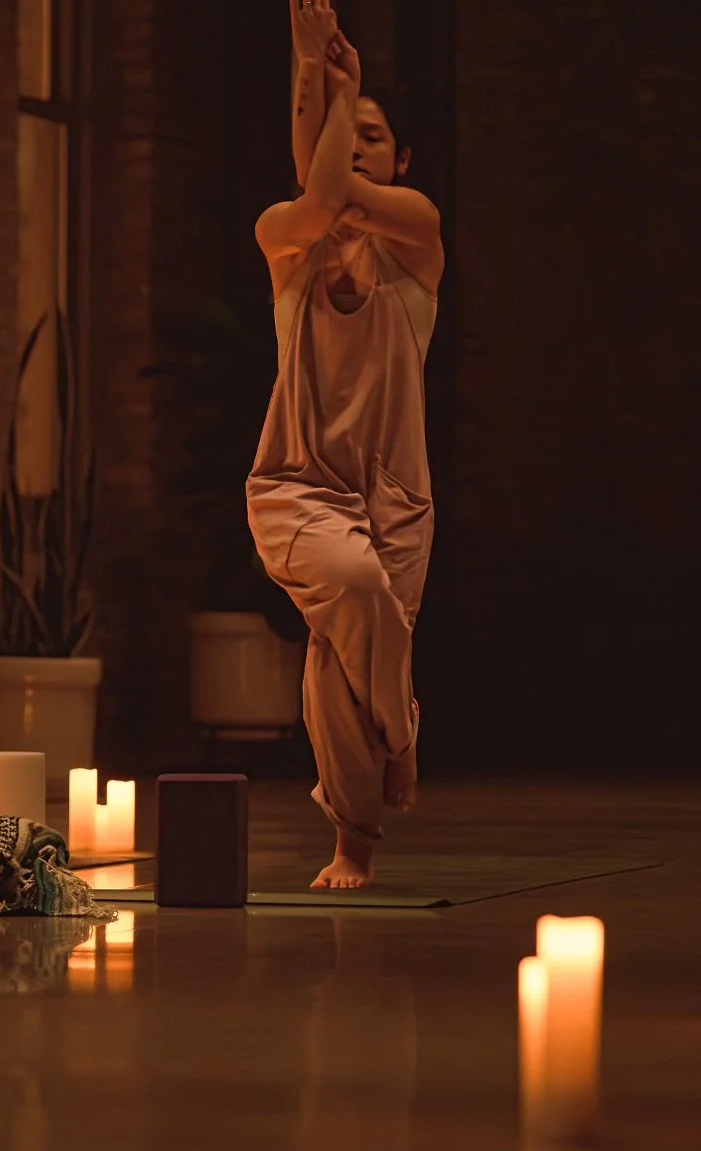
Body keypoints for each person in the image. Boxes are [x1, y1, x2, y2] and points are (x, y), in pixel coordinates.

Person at [247, 0, 444, 890]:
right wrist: (317, 76)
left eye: (371, 135)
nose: (357, 143)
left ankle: (352, 845)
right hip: (296, 489)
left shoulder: (417, 238)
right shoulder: (282, 242)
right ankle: (401, 730)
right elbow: (318, 201)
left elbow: (344, 199)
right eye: (343, 132)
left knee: (335, 658)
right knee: (358, 594)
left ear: (401, 159)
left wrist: (336, 94)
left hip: (396, 495)